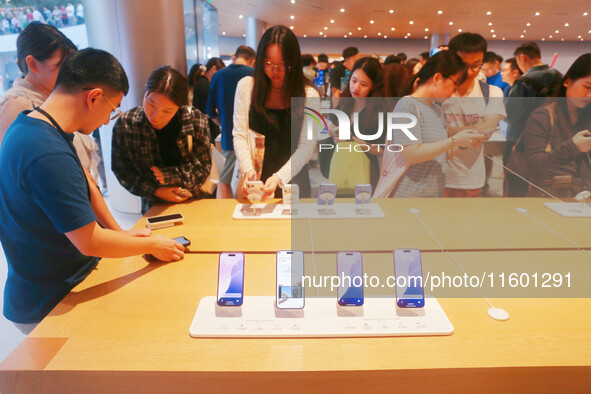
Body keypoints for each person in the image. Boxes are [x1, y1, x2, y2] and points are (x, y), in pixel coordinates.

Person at [0, 48, 185, 333]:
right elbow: (89, 241)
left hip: (62, 286)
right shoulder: (45, 151)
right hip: (50, 303)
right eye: (111, 110)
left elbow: (88, 187)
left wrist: (121, 235)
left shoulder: (38, 124)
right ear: (94, 97)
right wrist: (151, 244)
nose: (106, 121)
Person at [0, 22, 100, 179]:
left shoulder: (55, 96)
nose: (71, 73)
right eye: (61, 66)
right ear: (33, 64)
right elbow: (12, 173)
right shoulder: (18, 103)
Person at [233, 25, 320, 198]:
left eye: (282, 64)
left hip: (293, 182)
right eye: (268, 63)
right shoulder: (246, 87)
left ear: (293, 63)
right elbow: (240, 135)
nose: (275, 70)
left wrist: (280, 177)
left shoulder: (310, 95)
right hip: (255, 184)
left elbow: (306, 147)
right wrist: (248, 171)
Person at [112, 66, 212, 212]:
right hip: (154, 206)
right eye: (151, 104)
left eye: (167, 111)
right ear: (145, 91)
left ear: (179, 107)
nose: (156, 115)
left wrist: (167, 176)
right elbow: (123, 171)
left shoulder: (195, 119)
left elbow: (203, 168)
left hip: (195, 201)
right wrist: (156, 191)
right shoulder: (127, 124)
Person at [385, 51, 482, 198]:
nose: (454, 92)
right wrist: (454, 141)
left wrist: (463, 144)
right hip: (407, 196)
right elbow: (412, 154)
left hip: (432, 194)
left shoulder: (437, 109)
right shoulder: (406, 106)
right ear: (437, 78)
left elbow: (439, 154)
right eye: (454, 85)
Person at [442, 33, 506, 197]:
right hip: (436, 175)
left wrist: (445, 130)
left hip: (471, 178)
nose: (470, 72)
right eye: (463, 65)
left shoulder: (491, 92)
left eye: (476, 65)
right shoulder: (439, 91)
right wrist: (472, 129)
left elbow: (487, 130)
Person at [524, 54, 591, 197]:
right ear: (567, 82)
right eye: (587, 87)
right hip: (548, 197)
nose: (589, 95)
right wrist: (573, 146)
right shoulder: (543, 117)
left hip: (582, 200)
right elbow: (533, 167)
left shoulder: (587, 117)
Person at [505, 42, 563, 196]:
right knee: (543, 187)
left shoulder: (524, 81)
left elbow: (512, 114)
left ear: (522, 58)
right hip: (552, 141)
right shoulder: (559, 77)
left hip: (521, 141)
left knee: (517, 187)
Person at [207, 45, 255, 198]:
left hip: (229, 137)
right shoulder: (254, 74)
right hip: (253, 138)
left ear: (235, 57)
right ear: (252, 60)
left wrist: (224, 125)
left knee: (225, 180)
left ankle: (225, 217)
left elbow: (209, 110)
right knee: (254, 179)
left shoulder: (218, 76)